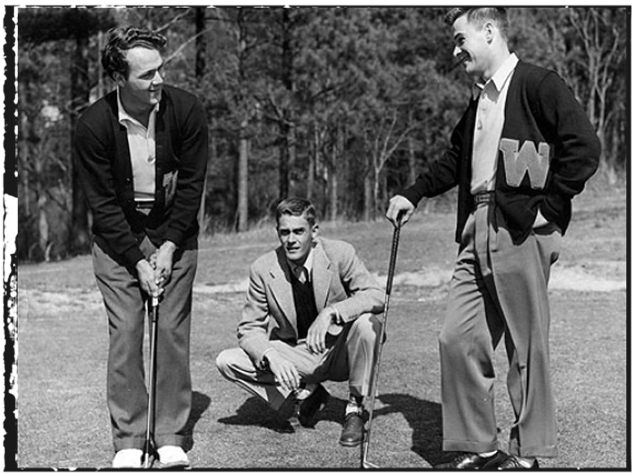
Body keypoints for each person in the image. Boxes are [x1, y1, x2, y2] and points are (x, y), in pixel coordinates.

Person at [386, 7, 600, 470]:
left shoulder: (539, 84)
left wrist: (549, 206)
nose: (456, 50)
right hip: (475, 228)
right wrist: (414, 192)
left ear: (489, 32)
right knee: (456, 337)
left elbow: (585, 147)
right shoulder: (479, 98)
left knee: (526, 346)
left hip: (521, 228)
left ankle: (528, 454)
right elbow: (454, 160)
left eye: (461, 39)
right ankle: (480, 447)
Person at [74, 26, 208, 469]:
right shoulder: (92, 125)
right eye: (146, 74)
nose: (158, 81)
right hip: (118, 238)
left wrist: (168, 248)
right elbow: (103, 204)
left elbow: (192, 187)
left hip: (175, 228)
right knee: (127, 331)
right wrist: (137, 260)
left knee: (170, 330)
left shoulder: (187, 110)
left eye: (161, 70)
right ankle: (130, 437)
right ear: (119, 78)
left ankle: (169, 435)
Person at [216, 198, 385, 447]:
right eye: (284, 232)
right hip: (296, 355)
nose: (291, 240)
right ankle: (307, 394)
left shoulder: (340, 253)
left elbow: (377, 295)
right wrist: (272, 355)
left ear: (313, 231)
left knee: (369, 324)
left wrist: (332, 312)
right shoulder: (263, 268)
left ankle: (355, 409)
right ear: (278, 233)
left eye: (298, 231)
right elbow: (249, 329)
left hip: (338, 351)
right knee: (227, 361)